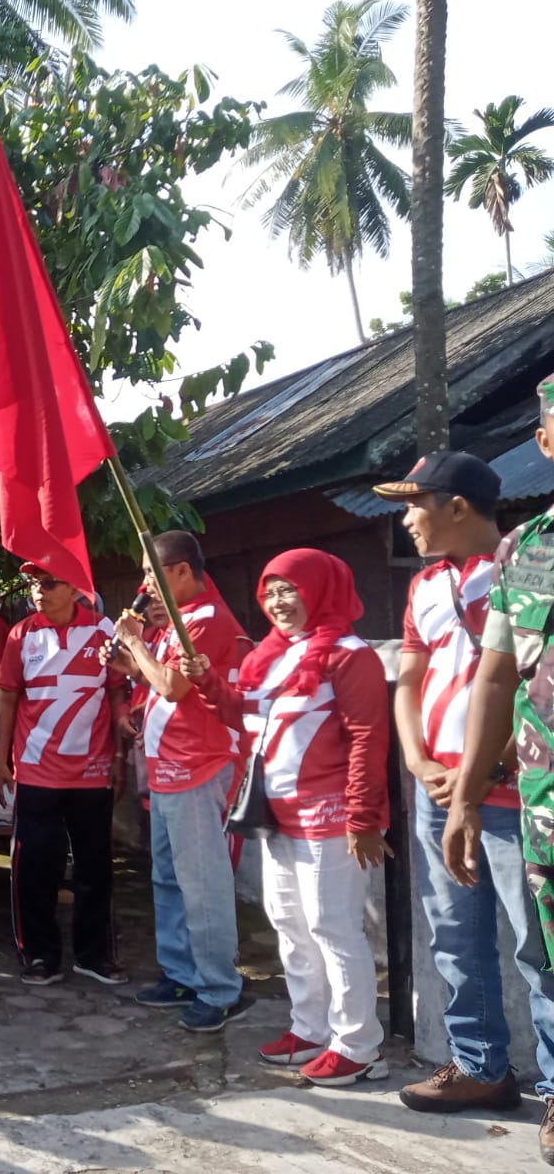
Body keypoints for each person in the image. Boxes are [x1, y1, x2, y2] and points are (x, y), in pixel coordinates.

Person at [375, 453, 554, 1113]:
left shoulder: (526, 564)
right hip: (438, 791)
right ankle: (480, 1066)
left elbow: (521, 678)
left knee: (539, 948)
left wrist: (489, 769)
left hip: (514, 791)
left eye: (414, 504)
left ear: (456, 505)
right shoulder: (425, 587)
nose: (406, 519)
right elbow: (409, 681)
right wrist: (420, 764)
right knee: (455, 935)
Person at [192, 550, 392, 1084]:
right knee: (289, 925)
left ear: (320, 590)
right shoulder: (269, 657)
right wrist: (208, 682)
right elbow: (246, 714)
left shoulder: (351, 656)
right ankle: (310, 1028)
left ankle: (360, 1045)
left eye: (291, 589)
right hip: (274, 816)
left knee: (334, 928)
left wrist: (363, 818)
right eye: (271, 591)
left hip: (331, 817)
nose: (279, 602)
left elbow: (368, 739)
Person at [445, 385, 554, 1162]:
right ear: (546, 444)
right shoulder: (526, 550)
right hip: (544, 808)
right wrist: (465, 798)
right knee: (546, 956)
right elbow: (494, 678)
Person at [103, 530, 249, 1031]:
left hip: (198, 766)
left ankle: (218, 987)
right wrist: (128, 660)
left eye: (151, 572)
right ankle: (180, 972)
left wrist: (136, 644)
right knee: (166, 879)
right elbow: (155, 681)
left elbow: (171, 682)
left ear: (182, 571)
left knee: (202, 882)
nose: (144, 583)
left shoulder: (205, 620)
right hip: (166, 767)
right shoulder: (177, 622)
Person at [0, 568, 126, 987]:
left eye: (49, 583)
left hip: (92, 770)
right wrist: (0, 762)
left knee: (95, 868)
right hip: (36, 771)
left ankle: (94, 955)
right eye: (34, 585)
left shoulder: (105, 631)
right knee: (36, 867)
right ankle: (39, 955)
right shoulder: (21, 635)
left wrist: (120, 755)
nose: (39, 592)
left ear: (75, 588)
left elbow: (118, 691)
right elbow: (7, 698)